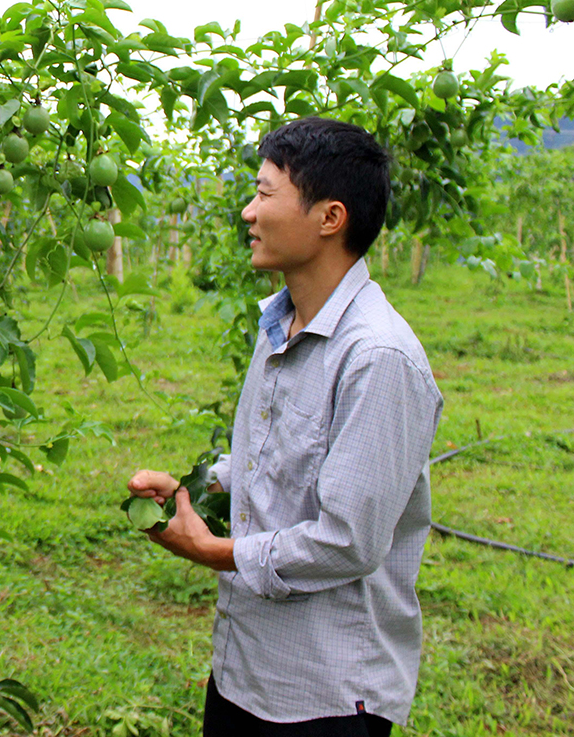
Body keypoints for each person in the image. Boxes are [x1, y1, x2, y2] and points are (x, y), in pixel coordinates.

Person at [128, 117, 443, 736]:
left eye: (265, 193)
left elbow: (347, 540)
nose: (248, 211)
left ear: (330, 218)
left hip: (326, 695)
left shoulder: (377, 359)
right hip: (246, 667)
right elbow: (274, 452)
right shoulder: (280, 323)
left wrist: (214, 552)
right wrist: (204, 485)